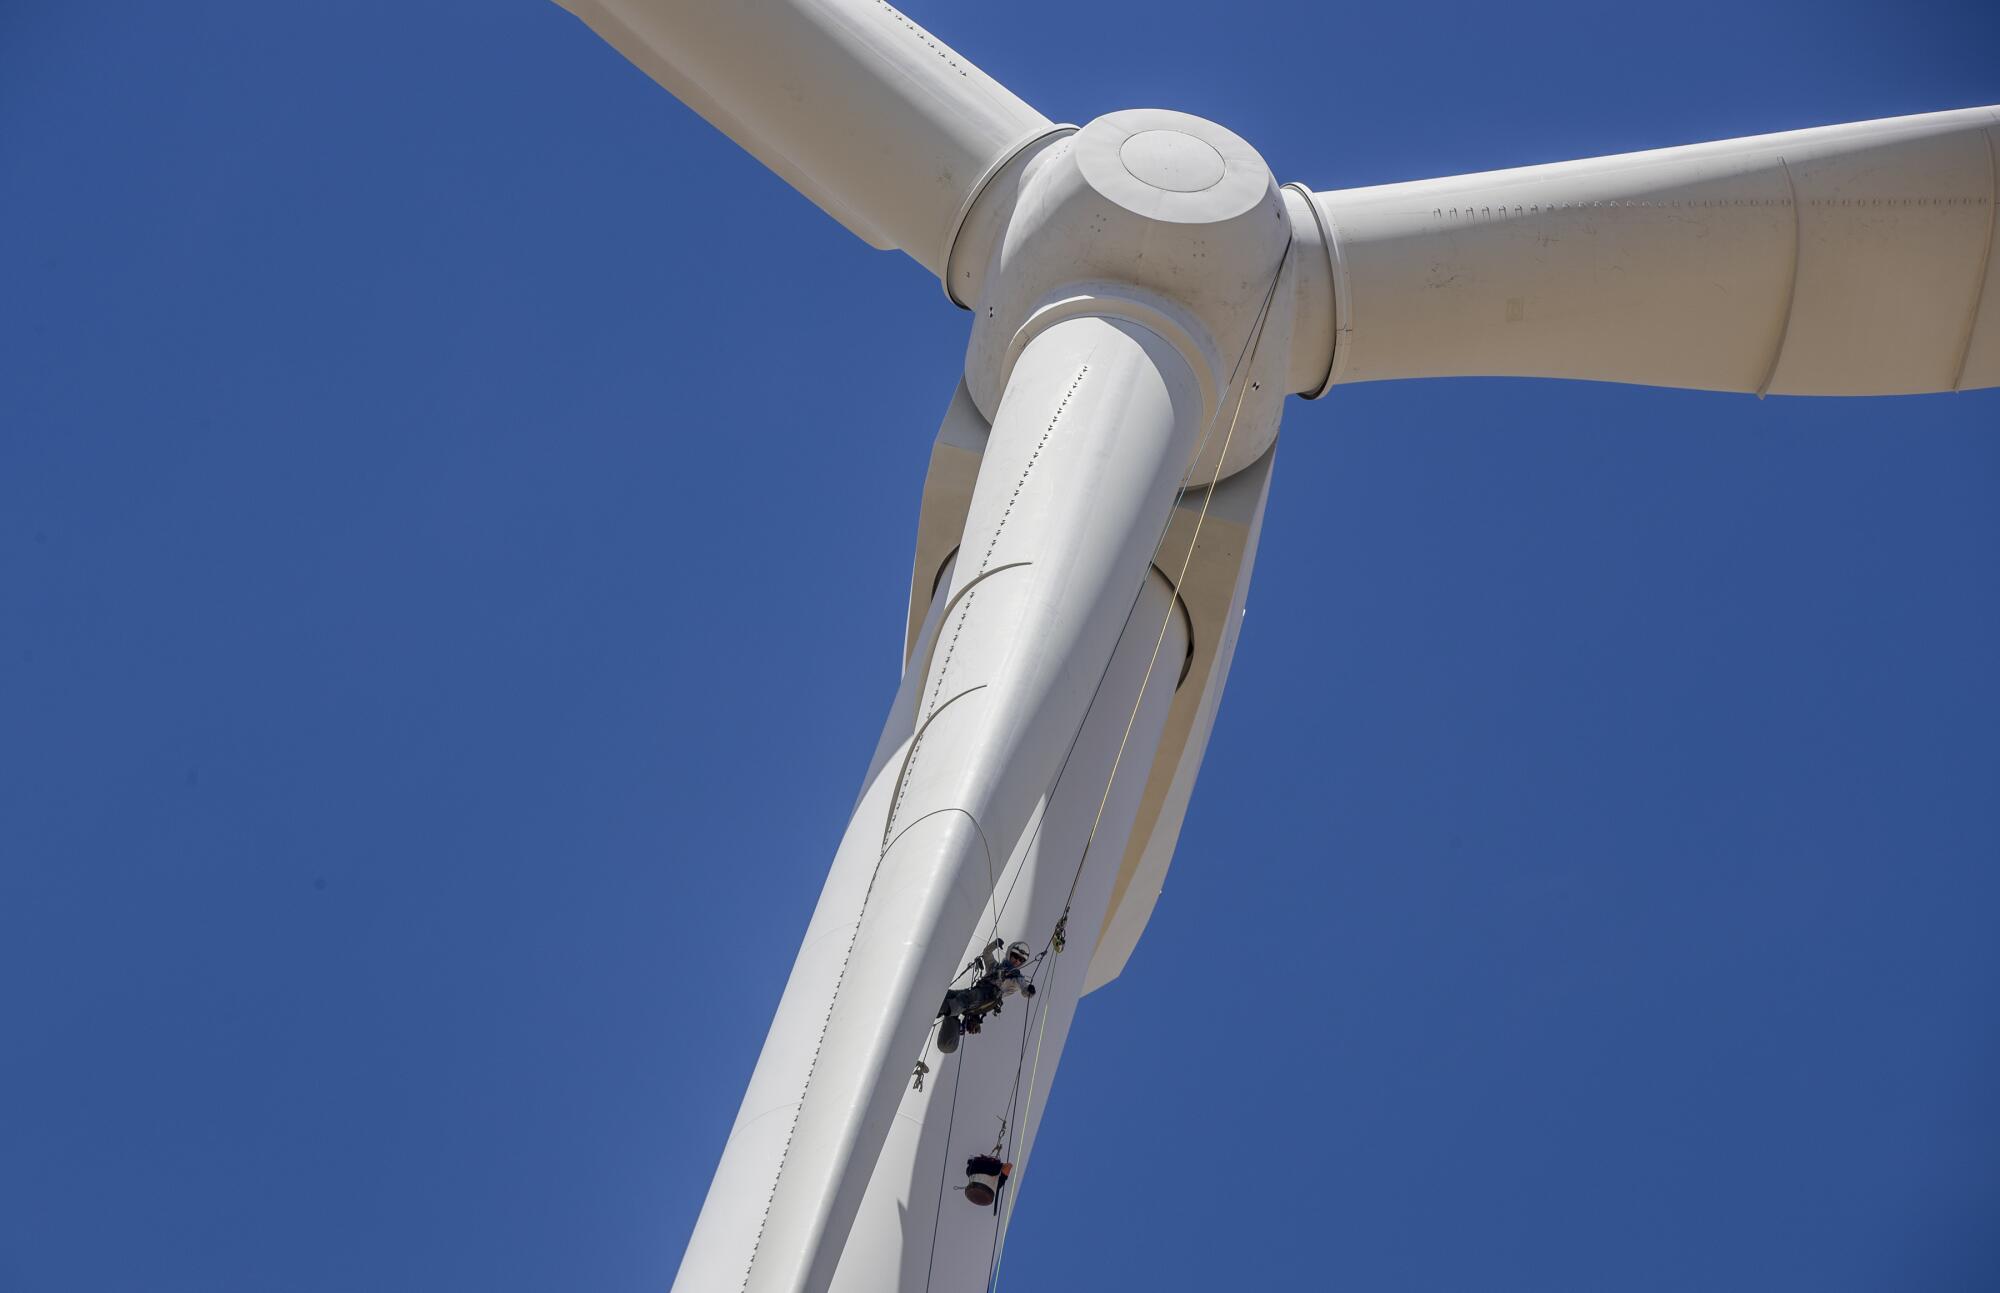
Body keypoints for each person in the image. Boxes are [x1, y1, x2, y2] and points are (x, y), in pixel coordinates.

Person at [934, 939, 1036, 1053]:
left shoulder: (1016, 978)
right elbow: (986, 954)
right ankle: (940, 1007)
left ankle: (945, 1008)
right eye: (1015, 956)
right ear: (1009, 954)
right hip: (977, 992)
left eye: (1021, 960)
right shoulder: (994, 966)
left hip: (987, 997)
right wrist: (994, 945)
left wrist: (1029, 990)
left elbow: (1024, 990)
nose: (1017, 961)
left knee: (966, 999)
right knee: (953, 995)